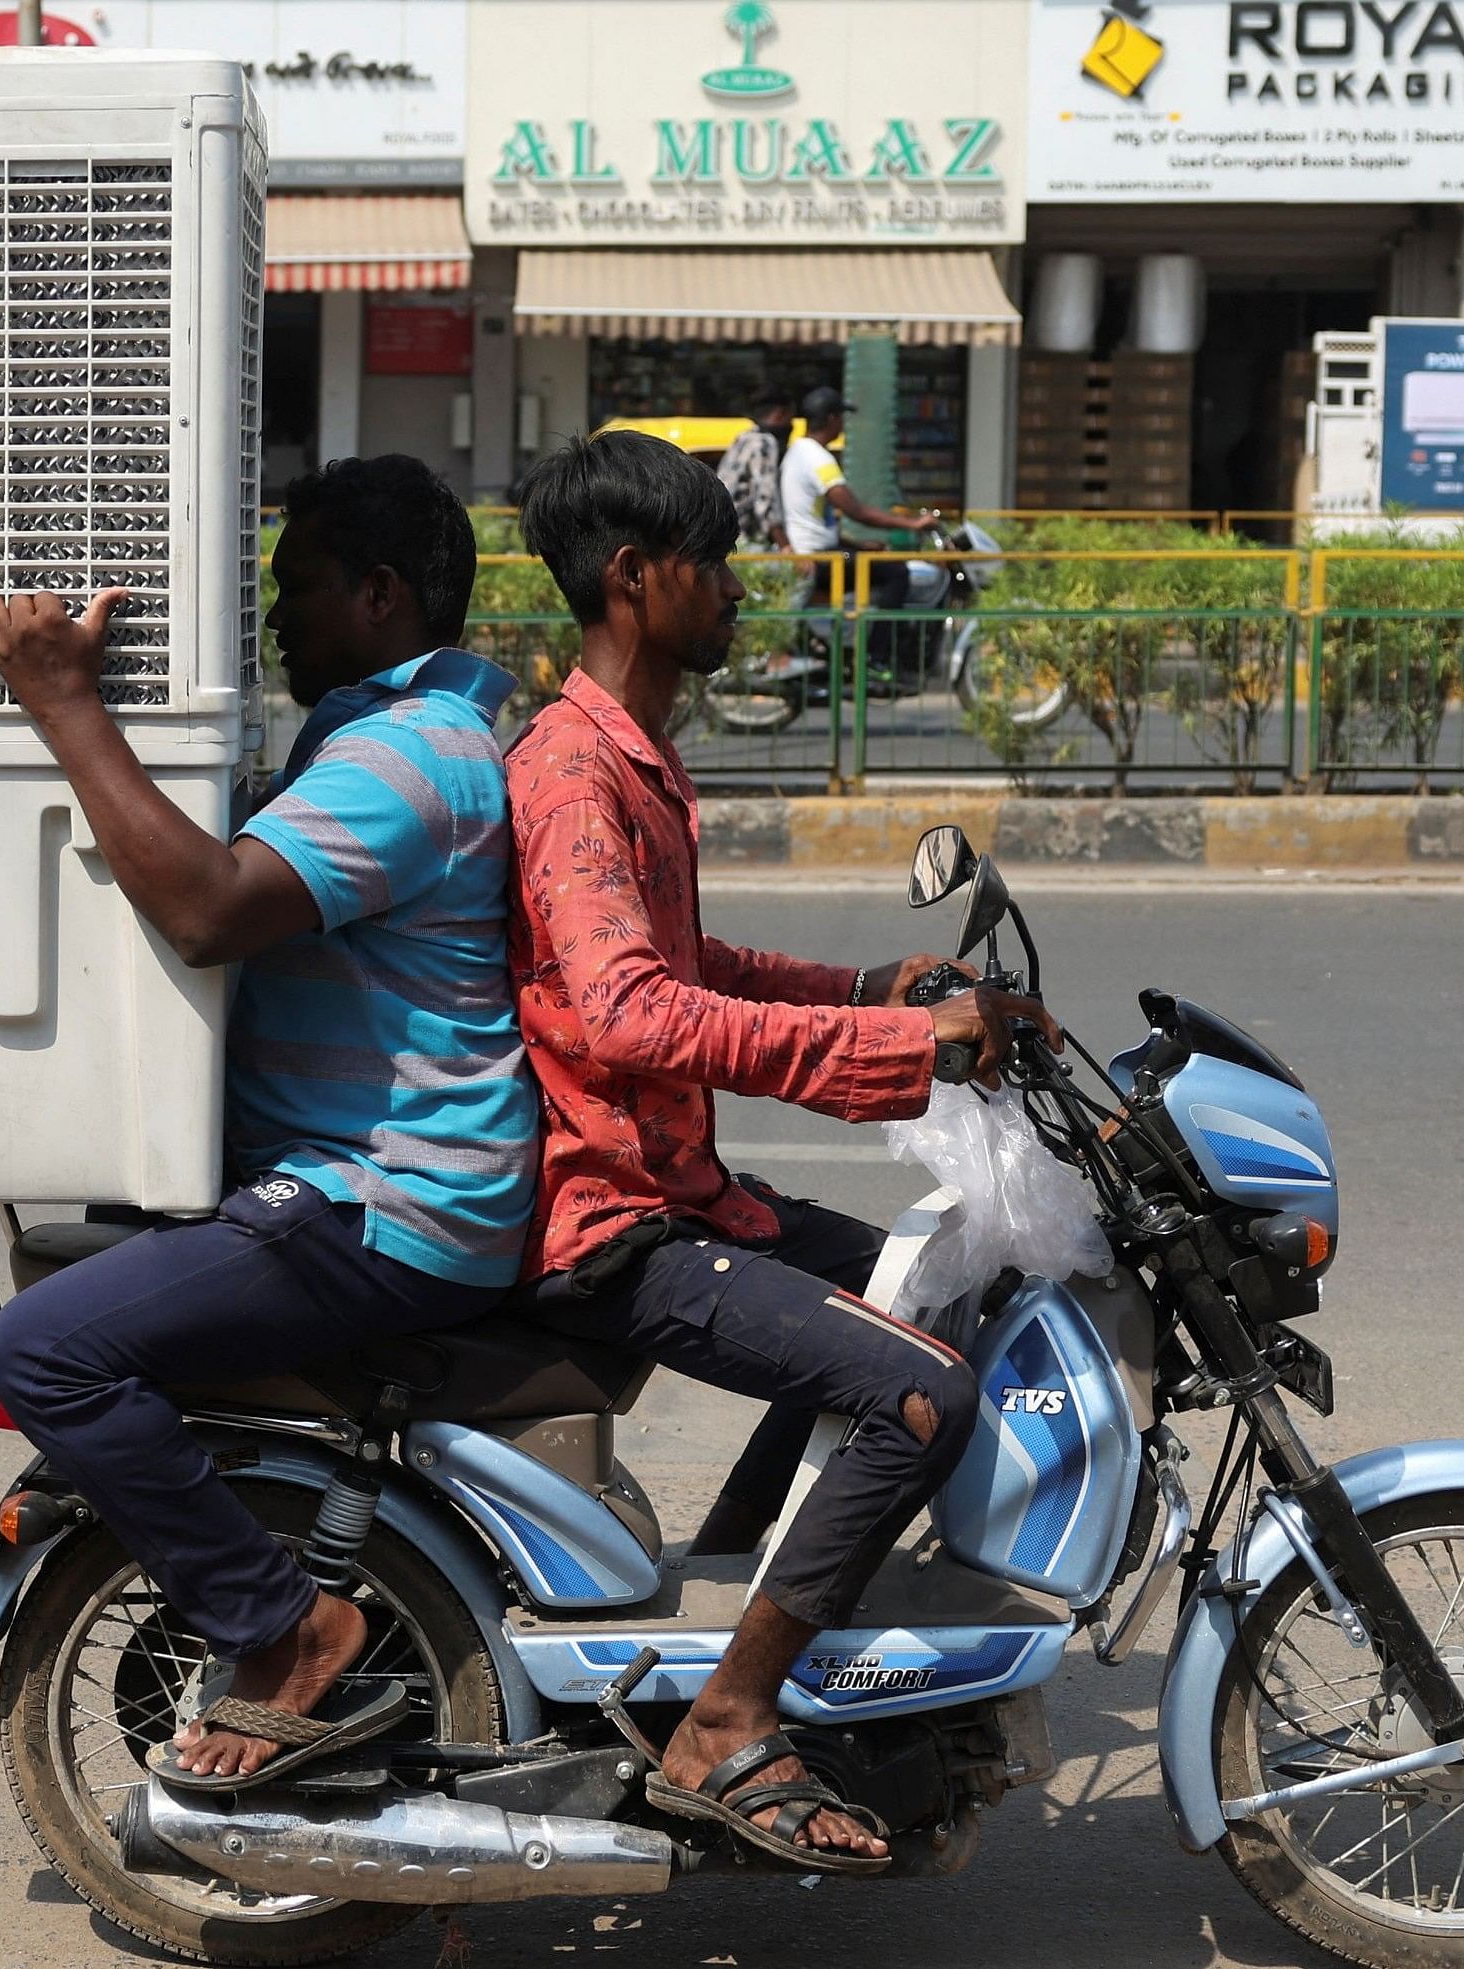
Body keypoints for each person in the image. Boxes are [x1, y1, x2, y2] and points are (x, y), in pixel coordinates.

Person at [503, 430, 1053, 1871]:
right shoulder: (573, 776)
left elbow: (691, 959)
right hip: (613, 1224)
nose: (743, 589)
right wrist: (890, 1055)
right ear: (636, 579)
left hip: (683, 1192)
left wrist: (871, 986)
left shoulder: (636, 758)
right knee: (924, 1397)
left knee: (916, 1286)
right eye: (717, 562)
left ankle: (747, 1607)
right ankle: (728, 1718)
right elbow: (630, 1011)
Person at [0, 456, 537, 1791]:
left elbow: (212, 906)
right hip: (356, 1183)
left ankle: (284, 1630)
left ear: (381, 594)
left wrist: (63, 699)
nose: (275, 621)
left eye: (297, 589)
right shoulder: (377, 739)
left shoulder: (407, 755)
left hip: (384, 1201)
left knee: (43, 1349)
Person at [781, 385, 951, 631]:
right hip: (820, 558)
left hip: (819, 550)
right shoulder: (818, 459)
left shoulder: (797, 451)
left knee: (876, 559)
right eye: (841, 417)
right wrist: (914, 524)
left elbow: (815, 522)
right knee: (896, 572)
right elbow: (857, 512)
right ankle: (877, 656)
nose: (843, 425)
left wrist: (860, 546)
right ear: (831, 418)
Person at [714, 392, 790, 548]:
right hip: (743, 540)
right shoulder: (764, 443)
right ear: (780, 414)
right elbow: (765, 501)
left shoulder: (744, 438)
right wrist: (786, 547)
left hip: (720, 532)